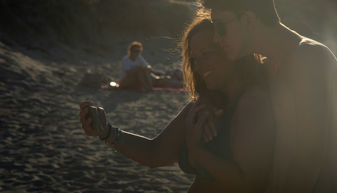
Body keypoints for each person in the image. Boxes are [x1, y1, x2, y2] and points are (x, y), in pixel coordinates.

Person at [79, 17, 274, 193]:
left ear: (230, 50)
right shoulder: (202, 107)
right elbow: (155, 153)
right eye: (194, 58)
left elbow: (251, 185)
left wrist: (197, 151)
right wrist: (106, 132)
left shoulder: (252, 103)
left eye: (206, 54)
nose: (198, 65)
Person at [197, 0, 337, 192]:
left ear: (248, 19)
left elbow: (308, 161)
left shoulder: (310, 59)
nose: (215, 38)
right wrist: (210, 103)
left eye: (220, 26)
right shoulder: (270, 66)